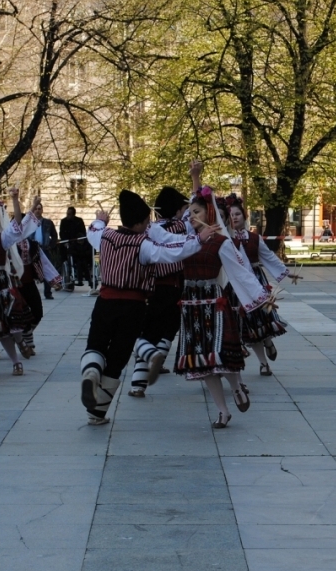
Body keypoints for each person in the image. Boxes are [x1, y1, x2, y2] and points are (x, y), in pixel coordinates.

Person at [80, 189, 211, 425]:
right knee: (118, 357)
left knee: (96, 344)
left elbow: (93, 230)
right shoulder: (143, 245)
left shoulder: (105, 237)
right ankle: (97, 412)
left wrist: (101, 219)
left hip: (104, 302)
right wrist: (198, 241)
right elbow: (172, 253)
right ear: (140, 222)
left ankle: (90, 372)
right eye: (146, 221)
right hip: (133, 306)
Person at [176, 188, 270, 429]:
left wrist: (262, 297)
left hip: (213, 302)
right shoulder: (186, 241)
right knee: (202, 360)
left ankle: (236, 387)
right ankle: (222, 410)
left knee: (220, 355)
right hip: (190, 304)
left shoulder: (221, 241)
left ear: (208, 213)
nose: (189, 216)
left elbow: (241, 273)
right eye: (188, 212)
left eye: (195, 211)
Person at [127, 183, 192, 397]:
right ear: (176, 209)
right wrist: (195, 179)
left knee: (149, 330)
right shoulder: (179, 227)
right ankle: (157, 358)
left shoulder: (149, 228)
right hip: (172, 285)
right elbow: (192, 211)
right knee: (170, 328)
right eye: (182, 209)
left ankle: (138, 383)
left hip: (151, 286)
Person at [228, 194, 298, 376]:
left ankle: (267, 341)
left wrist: (287, 273)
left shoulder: (254, 238)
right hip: (237, 286)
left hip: (256, 281)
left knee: (262, 319)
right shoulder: (225, 240)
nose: (234, 217)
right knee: (250, 324)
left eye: (237, 214)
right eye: (231, 214)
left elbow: (269, 257)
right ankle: (263, 363)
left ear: (244, 216)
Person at [0, 189, 41, 376]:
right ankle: (16, 362)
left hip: (1, 283)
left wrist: (14, 199)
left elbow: (18, 223)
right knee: (0, 329)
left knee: (12, 322)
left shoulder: (1, 237)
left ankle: (20, 342)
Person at [31, 201, 59, 299]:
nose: (37, 211)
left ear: (42, 210)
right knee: (32, 271)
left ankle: (48, 292)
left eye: (39, 209)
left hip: (45, 249)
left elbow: (54, 236)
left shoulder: (48, 223)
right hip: (32, 250)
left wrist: (51, 246)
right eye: (36, 209)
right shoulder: (29, 222)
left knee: (47, 270)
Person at [59, 207, 91, 290]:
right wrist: (65, 242)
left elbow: (83, 233)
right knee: (64, 256)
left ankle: (87, 278)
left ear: (73, 214)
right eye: (67, 214)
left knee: (83, 261)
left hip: (77, 244)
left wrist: (80, 241)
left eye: (69, 214)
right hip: (68, 244)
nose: (67, 216)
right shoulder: (63, 221)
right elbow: (62, 233)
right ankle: (65, 275)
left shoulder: (79, 221)